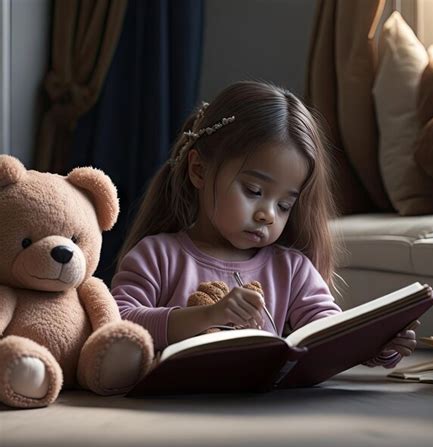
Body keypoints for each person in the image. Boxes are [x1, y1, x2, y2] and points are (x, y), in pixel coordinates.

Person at [111, 80, 417, 369]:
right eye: (254, 191)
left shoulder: (293, 270)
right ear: (199, 170)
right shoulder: (156, 255)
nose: (267, 214)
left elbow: (327, 331)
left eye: (284, 205)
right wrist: (208, 315)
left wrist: (375, 345)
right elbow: (118, 323)